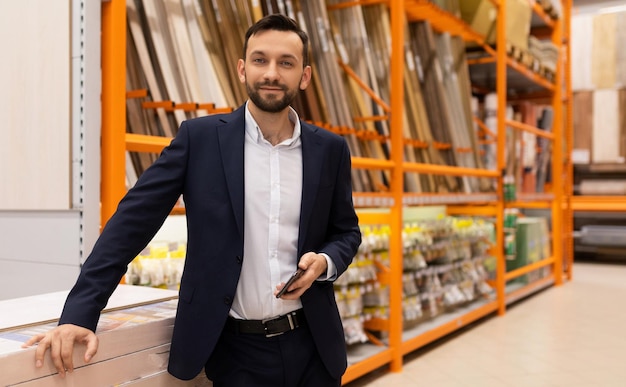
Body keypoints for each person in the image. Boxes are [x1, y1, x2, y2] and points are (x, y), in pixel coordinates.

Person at [23, 13, 361, 387]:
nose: (271, 73)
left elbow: (346, 232)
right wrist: (79, 313)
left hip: (313, 345)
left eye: (286, 63)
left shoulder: (329, 150)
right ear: (242, 69)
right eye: (260, 60)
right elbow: (130, 223)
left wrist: (325, 262)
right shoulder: (199, 140)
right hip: (236, 352)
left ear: (305, 75)